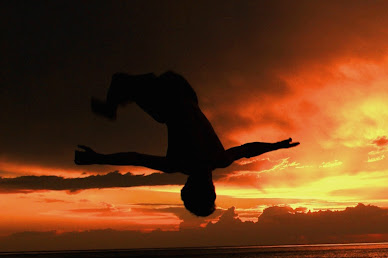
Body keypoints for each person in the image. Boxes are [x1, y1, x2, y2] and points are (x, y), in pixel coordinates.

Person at [76, 72, 299, 216]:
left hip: (181, 94)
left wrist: (276, 146)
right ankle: (112, 105)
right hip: (172, 96)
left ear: (210, 188)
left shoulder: (214, 160)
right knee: (123, 83)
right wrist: (98, 158)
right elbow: (134, 157)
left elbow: (247, 150)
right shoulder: (181, 163)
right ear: (187, 187)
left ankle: (113, 105)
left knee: (129, 88)